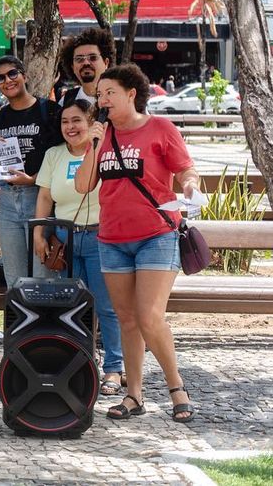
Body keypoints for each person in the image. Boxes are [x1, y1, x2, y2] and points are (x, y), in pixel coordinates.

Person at [75, 63, 201, 423]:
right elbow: (84, 186)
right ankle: (134, 395)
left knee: (149, 316)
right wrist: (93, 146)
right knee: (127, 319)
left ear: (132, 94)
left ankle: (177, 387)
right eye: (99, 94)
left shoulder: (160, 128)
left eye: (109, 92)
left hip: (156, 235)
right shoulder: (101, 136)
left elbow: (185, 170)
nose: (103, 99)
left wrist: (190, 186)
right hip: (112, 238)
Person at [31, 99, 124, 397]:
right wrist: (39, 234)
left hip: (101, 237)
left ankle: (114, 367)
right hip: (65, 238)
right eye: (65, 122)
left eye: (77, 121)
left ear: (91, 122)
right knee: (72, 304)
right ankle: (79, 360)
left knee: (106, 306)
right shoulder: (54, 155)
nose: (70, 127)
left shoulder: (105, 150)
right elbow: (45, 197)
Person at [0, 55, 62, 287]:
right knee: (15, 279)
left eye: (12, 73)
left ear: (24, 75)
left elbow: (61, 158)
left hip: (40, 197)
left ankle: (46, 324)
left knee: (44, 275)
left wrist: (32, 179)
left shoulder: (48, 111)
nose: (7, 80)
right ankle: (20, 324)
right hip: (8, 201)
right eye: (0, 78)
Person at [58, 27, 114, 108]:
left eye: (93, 57)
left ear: (106, 63)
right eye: (79, 59)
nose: (86, 63)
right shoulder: (66, 101)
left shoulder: (119, 98)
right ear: (72, 67)